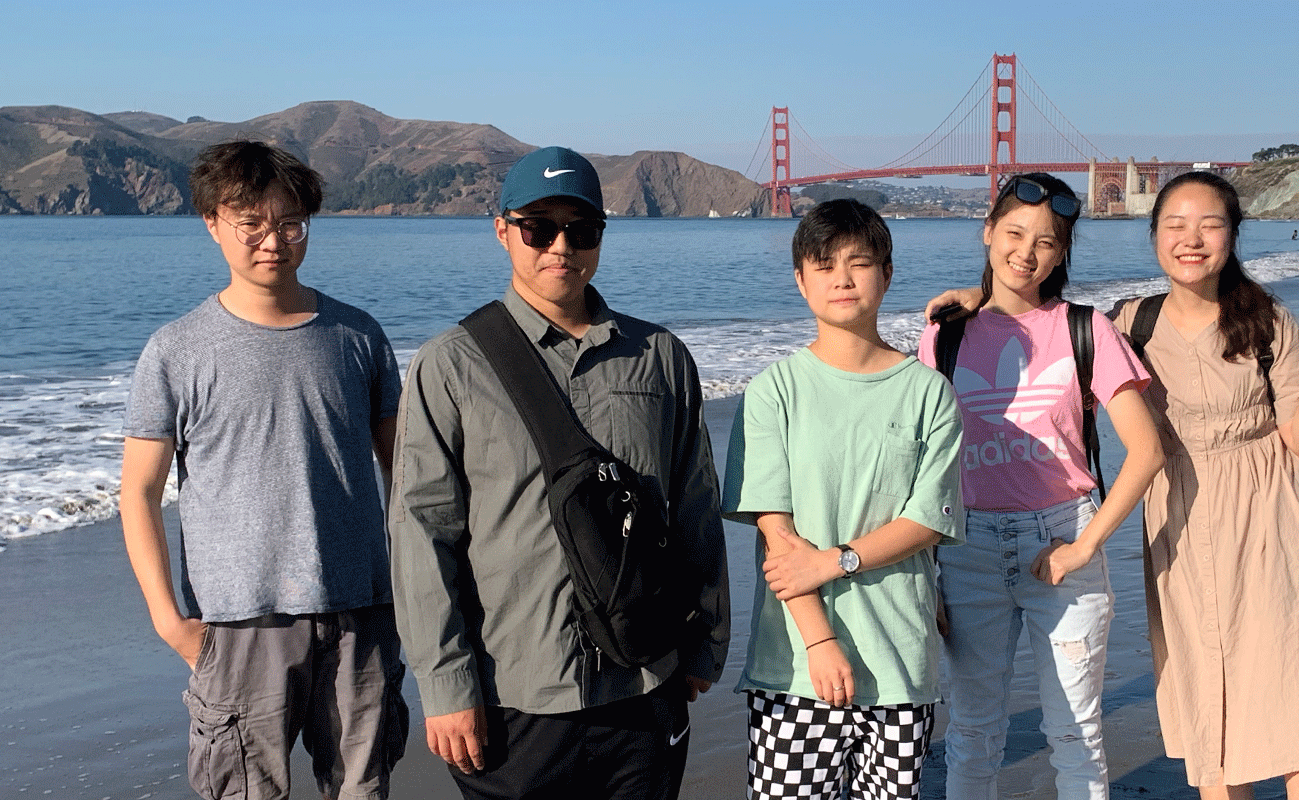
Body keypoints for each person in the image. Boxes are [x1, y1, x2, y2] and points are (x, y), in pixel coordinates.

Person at [388, 146, 729, 799]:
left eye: (582, 229)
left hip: (646, 683)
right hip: (515, 696)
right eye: (538, 227)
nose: (560, 246)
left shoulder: (658, 358)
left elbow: (695, 510)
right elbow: (422, 538)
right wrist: (446, 685)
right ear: (503, 230)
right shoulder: (451, 364)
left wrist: (704, 644)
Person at [120, 141, 408, 800]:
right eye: (251, 223)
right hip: (239, 624)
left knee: (364, 790)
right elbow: (137, 494)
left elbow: (406, 477)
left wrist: (414, 591)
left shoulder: (357, 336)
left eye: (289, 223)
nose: (271, 240)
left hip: (359, 616)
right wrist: (170, 622)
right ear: (213, 223)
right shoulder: (176, 350)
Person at [1118, 173, 1299, 798]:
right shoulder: (1129, 323)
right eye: (1175, 225)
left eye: (1209, 224)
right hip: (1180, 516)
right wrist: (974, 297)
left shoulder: (1267, 319)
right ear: (1154, 235)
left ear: (1232, 235)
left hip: (1273, 513)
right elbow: (1042, 329)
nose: (1191, 239)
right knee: (1211, 700)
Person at [919, 173, 1164, 800]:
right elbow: (922, 461)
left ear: (1063, 253)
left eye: (1047, 241)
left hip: (1064, 536)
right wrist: (927, 573)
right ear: (987, 232)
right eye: (1014, 233)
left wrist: (1084, 548)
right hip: (965, 547)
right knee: (973, 736)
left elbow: (1147, 452)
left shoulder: (1086, 329)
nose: (1026, 253)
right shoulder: (943, 335)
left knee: (1076, 735)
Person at [723, 199, 964, 799]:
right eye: (824, 265)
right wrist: (821, 642)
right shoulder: (772, 391)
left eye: (860, 263)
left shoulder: (928, 393)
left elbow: (927, 521)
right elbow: (776, 533)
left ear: (887, 274)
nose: (843, 279)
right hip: (796, 665)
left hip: (899, 663)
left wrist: (835, 560)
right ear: (800, 279)